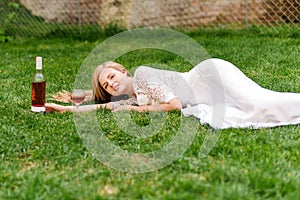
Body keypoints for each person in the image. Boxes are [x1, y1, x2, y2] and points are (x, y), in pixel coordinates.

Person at [46, 58, 300, 129]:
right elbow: (101, 107)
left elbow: (175, 105)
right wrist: (65, 109)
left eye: (111, 77)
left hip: (212, 76)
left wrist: (141, 110)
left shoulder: (143, 74)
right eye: (105, 86)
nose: (110, 85)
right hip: (208, 94)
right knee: (254, 108)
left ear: (123, 72)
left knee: (260, 104)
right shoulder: (131, 97)